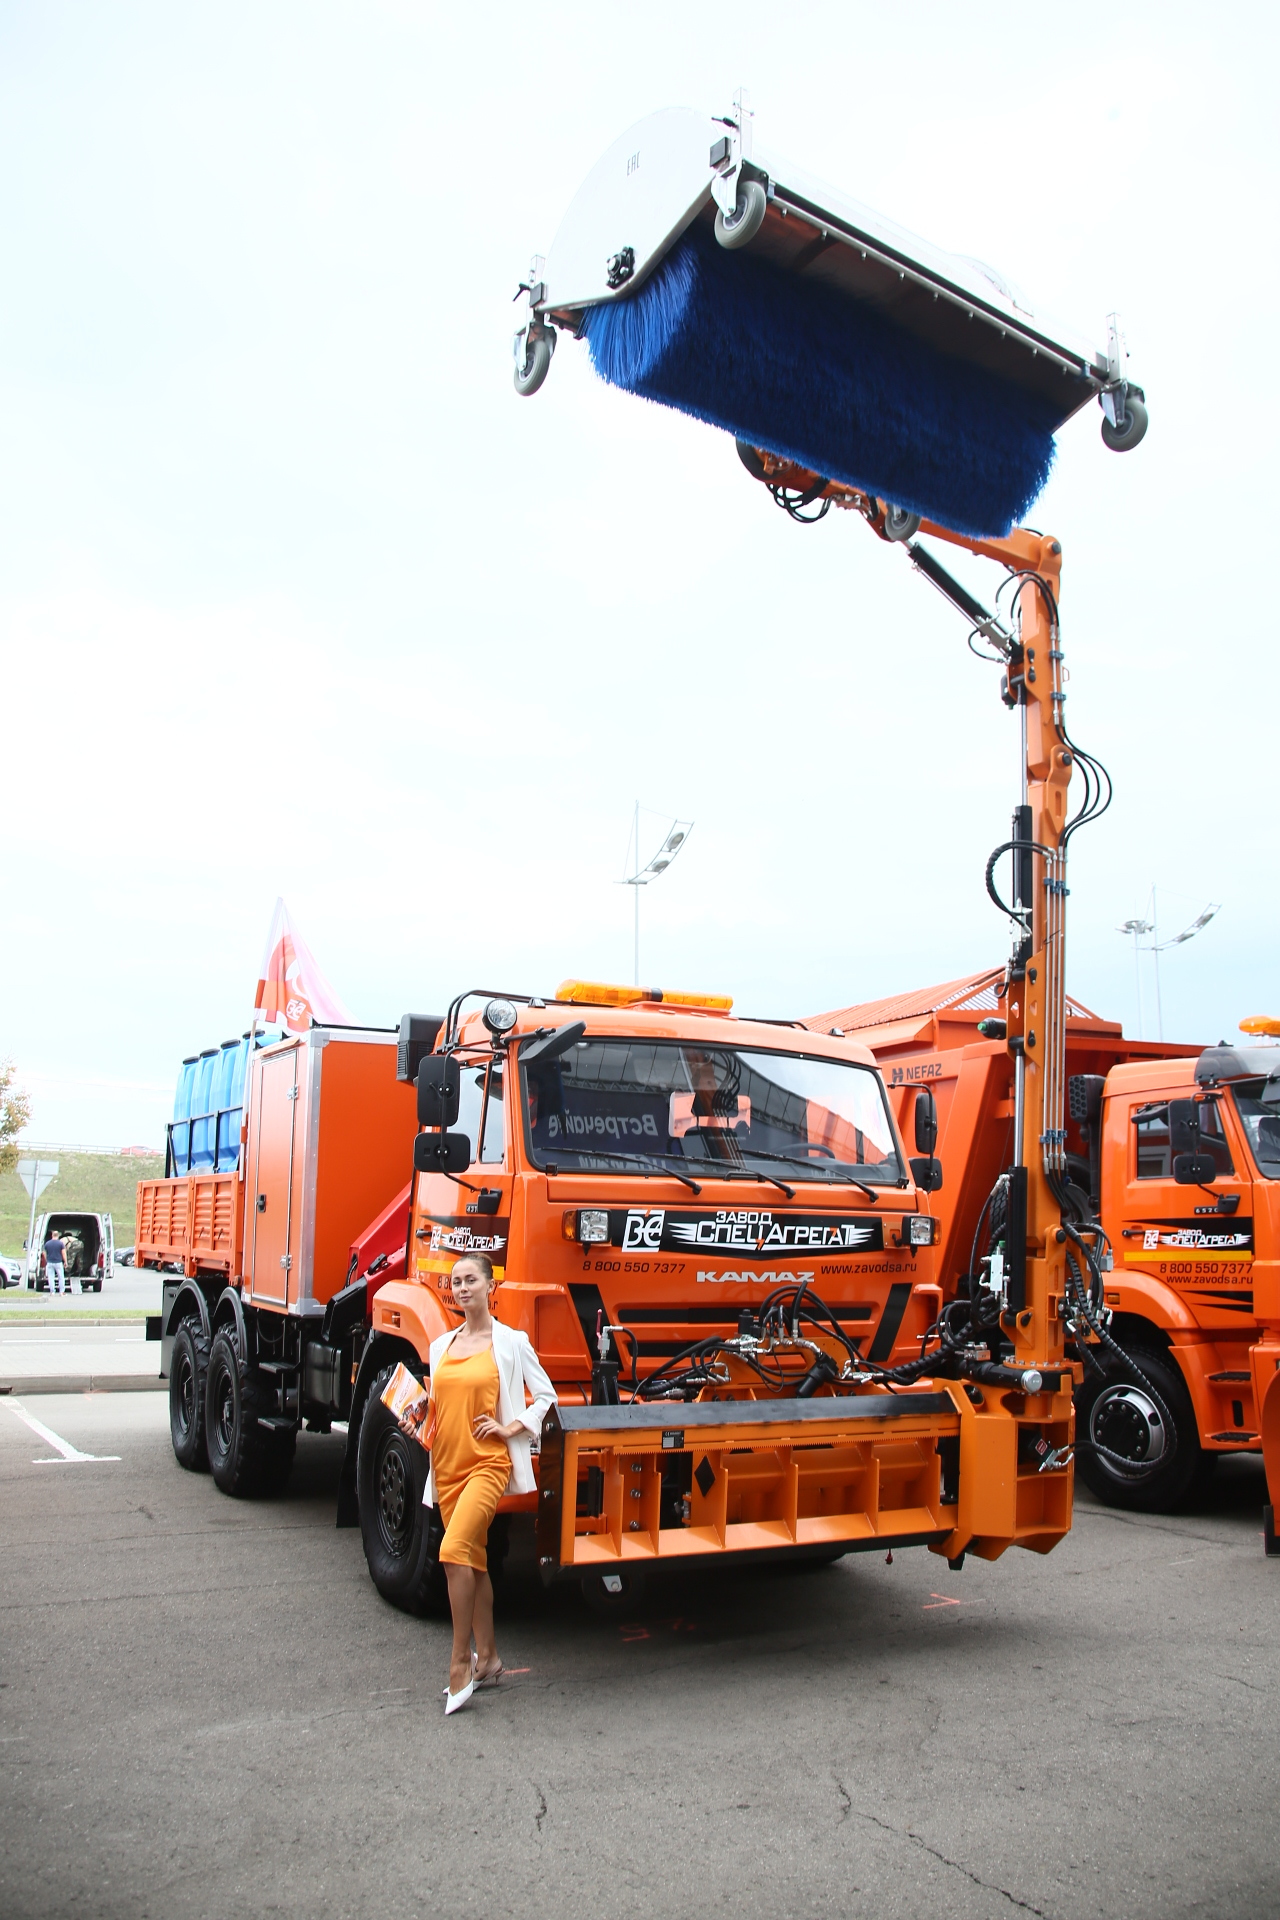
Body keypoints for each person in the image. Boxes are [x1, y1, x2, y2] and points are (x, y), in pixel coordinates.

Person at [424, 1252, 556, 1715]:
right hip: (447, 1465)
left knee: (452, 1552)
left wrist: (511, 1428)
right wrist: (418, 1420)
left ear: (489, 1287)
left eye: (470, 1280)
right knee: (474, 1564)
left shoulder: (510, 1342)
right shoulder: (441, 1347)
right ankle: (492, 1659)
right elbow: (437, 1409)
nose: (462, 1289)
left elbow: (546, 1397)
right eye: (456, 1282)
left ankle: (461, 1662)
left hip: (488, 1464)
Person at [43, 1230, 66, 1296]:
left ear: (52, 1235)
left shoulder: (47, 1243)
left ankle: (52, 1292)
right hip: (58, 1262)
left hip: (50, 1262)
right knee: (61, 1277)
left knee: (51, 1277)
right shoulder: (60, 1243)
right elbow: (63, 1253)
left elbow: (44, 1252)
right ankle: (61, 1292)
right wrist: (65, 1261)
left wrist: (46, 1259)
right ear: (58, 1236)